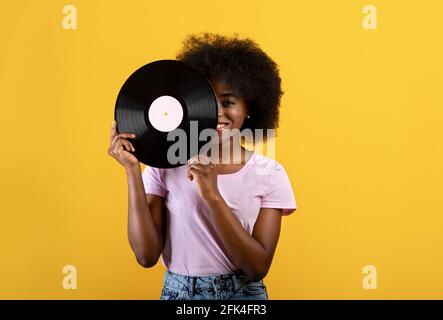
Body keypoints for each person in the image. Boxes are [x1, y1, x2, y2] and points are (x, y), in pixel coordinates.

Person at [108, 33, 297, 300]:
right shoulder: (166, 165)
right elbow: (146, 255)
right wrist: (132, 171)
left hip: (242, 297)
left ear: (250, 108)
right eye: (208, 101)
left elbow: (257, 267)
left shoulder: (270, 173)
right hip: (179, 295)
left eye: (228, 102)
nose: (217, 113)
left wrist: (211, 195)